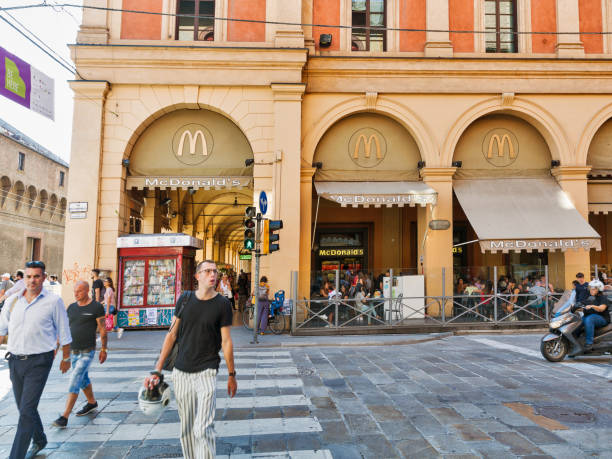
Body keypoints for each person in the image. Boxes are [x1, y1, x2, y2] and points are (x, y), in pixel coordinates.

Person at [144, 260, 236, 459]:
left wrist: (231, 374)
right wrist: (157, 370)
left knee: (202, 428)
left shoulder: (223, 304)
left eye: (215, 271)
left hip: (207, 371)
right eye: (208, 271)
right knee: (186, 428)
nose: (213, 274)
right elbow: (171, 335)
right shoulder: (185, 299)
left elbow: (226, 341)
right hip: (182, 372)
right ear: (197, 276)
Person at [0, 261, 72, 459]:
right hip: (14, 360)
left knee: (26, 410)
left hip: (40, 361)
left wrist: (66, 357)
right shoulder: (12, 301)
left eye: (37, 276)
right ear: (23, 278)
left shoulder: (53, 301)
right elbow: (1, 331)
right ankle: (39, 439)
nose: (32, 280)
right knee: (25, 407)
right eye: (29, 276)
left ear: (44, 277)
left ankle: (16, 456)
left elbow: (64, 331)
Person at [52, 281, 107, 428]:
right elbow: (63, 330)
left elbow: (102, 329)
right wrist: (56, 349)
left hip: (87, 351)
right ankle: (91, 403)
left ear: (88, 291)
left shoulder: (96, 307)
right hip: (73, 351)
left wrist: (104, 349)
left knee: (75, 378)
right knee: (83, 379)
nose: (76, 294)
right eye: (75, 291)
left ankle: (65, 416)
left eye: (80, 291)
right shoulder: (71, 308)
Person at [574, 279, 610, 353]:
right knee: (578, 322)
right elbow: (581, 303)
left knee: (590, 319)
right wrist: (574, 306)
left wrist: (592, 306)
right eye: (590, 289)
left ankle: (589, 343)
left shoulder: (603, 298)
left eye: (593, 289)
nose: (591, 290)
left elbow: (601, 309)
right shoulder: (589, 298)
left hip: (602, 318)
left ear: (598, 289)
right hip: (589, 317)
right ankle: (573, 342)